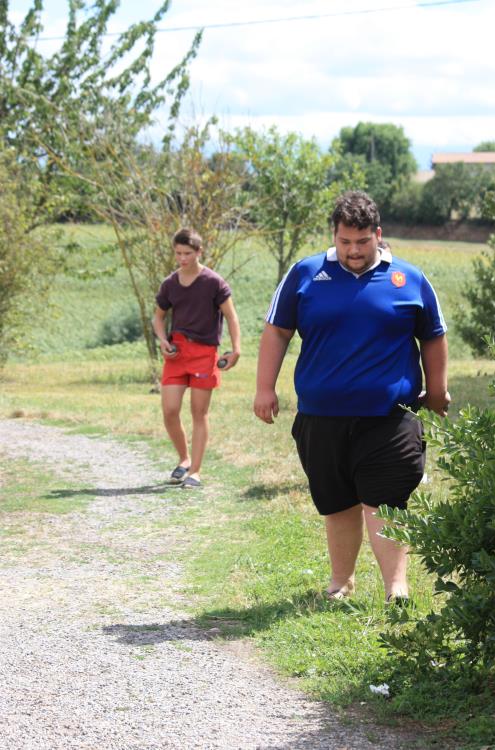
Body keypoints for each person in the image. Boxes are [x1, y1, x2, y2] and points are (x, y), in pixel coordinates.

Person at [253, 191, 450, 602]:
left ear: (377, 235)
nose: (354, 251)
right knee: (337, 500)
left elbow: (433, 336)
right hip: (321, 416)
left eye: (362, 242)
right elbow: (277, 331)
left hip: (389, 416)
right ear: (334, 235)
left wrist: (438, 388)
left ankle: (397, 588)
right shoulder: (305, 274)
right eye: (345, 242)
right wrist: (264, 387)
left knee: (387, 498)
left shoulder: (408, 279)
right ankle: (341, 582)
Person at [153, 228, 240, 488]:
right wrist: (163, 340)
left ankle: (196, 472)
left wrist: (236, 349)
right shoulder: (170, 283)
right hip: (177, 353)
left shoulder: (214, 282)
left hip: (204, 353)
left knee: (198, 413)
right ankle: (184, 459)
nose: (182, 258)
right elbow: (158, 316)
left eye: (188, 253)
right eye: (178, 253)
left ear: (199, 252)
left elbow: (232, 316)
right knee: (169, 411)